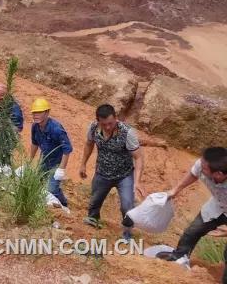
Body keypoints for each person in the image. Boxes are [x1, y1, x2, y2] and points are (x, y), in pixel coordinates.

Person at [156, 147, 227, 278]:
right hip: (217, 206)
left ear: (219, 174)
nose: (200, 166)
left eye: (205, 168)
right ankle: (178, 259)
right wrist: (175, 190)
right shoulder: (203, 164)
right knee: (193, 231)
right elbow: (194, 173)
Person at [80, 104, 145, 239]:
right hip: (102, 173)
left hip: (124, 175)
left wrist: (137, 182)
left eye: (110, 123)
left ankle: (127, 232)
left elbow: (138, 157)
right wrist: (83, 164)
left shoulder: (127, 132)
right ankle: (93, 221)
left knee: (127, 205)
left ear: (116, 118)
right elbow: (88, 144)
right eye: (104, 124)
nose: (108, 127)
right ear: (98, 121)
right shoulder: (93, 128)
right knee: (94, 201)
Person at [29, 98, 72, 207]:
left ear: (47, 112)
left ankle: (63, 203)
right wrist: (29, 161)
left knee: (52, 189)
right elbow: (35, 143)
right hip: (44, 160)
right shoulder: (35, 127)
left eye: (39, 112)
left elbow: (67, 149)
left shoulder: (56, 129)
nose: (36, 115)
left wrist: (61, 169)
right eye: (34, 113)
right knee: (35, 184)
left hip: (56, 163)